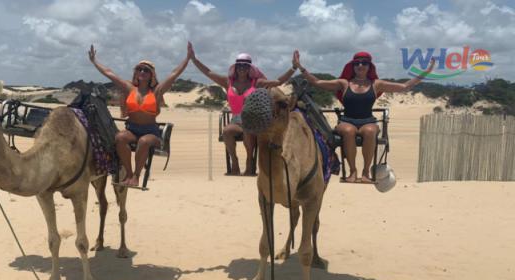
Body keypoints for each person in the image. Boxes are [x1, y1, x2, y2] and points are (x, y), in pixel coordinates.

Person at [293, 50, 435, 183]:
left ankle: (366, 172)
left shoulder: (376, 84)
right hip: (347, 120)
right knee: (348, 131)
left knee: (370, 131)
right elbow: (317, 82)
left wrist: (427, 72)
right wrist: (300, 67)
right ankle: (352, 172)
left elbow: (404, 87)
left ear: (369, 66)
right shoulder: (344, 83)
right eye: (357, 63)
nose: (360, 65)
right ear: (353, 66)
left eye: (364, 63)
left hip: (367, 120)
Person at [188, 42, 299, 176]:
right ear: (235, 68)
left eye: (245, 66)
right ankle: (234, 162)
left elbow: (278, 81)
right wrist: (194, 60)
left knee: (247, 130)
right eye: (239, 66)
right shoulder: (228, 82)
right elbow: (208, 72)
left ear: (249, 68)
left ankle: (249, 162)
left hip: (253, 120)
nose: (242, 68)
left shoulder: (257, 83)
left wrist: (293, 67)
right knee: (227, 131)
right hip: (236, 120)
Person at [89, 43, 191, 187]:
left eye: (146, 70)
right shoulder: (130, 88)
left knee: (143, 142)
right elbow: (110, 73)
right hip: (132, 129)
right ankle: (129, 175)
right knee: (120, 137)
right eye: (139, 69)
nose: (142, 71)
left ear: (151, 75)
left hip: (151, 132)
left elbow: (174, 74)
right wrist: (94, 62)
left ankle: (137, 176)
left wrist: (187, 59)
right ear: (136, 73)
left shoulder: (156, 91)